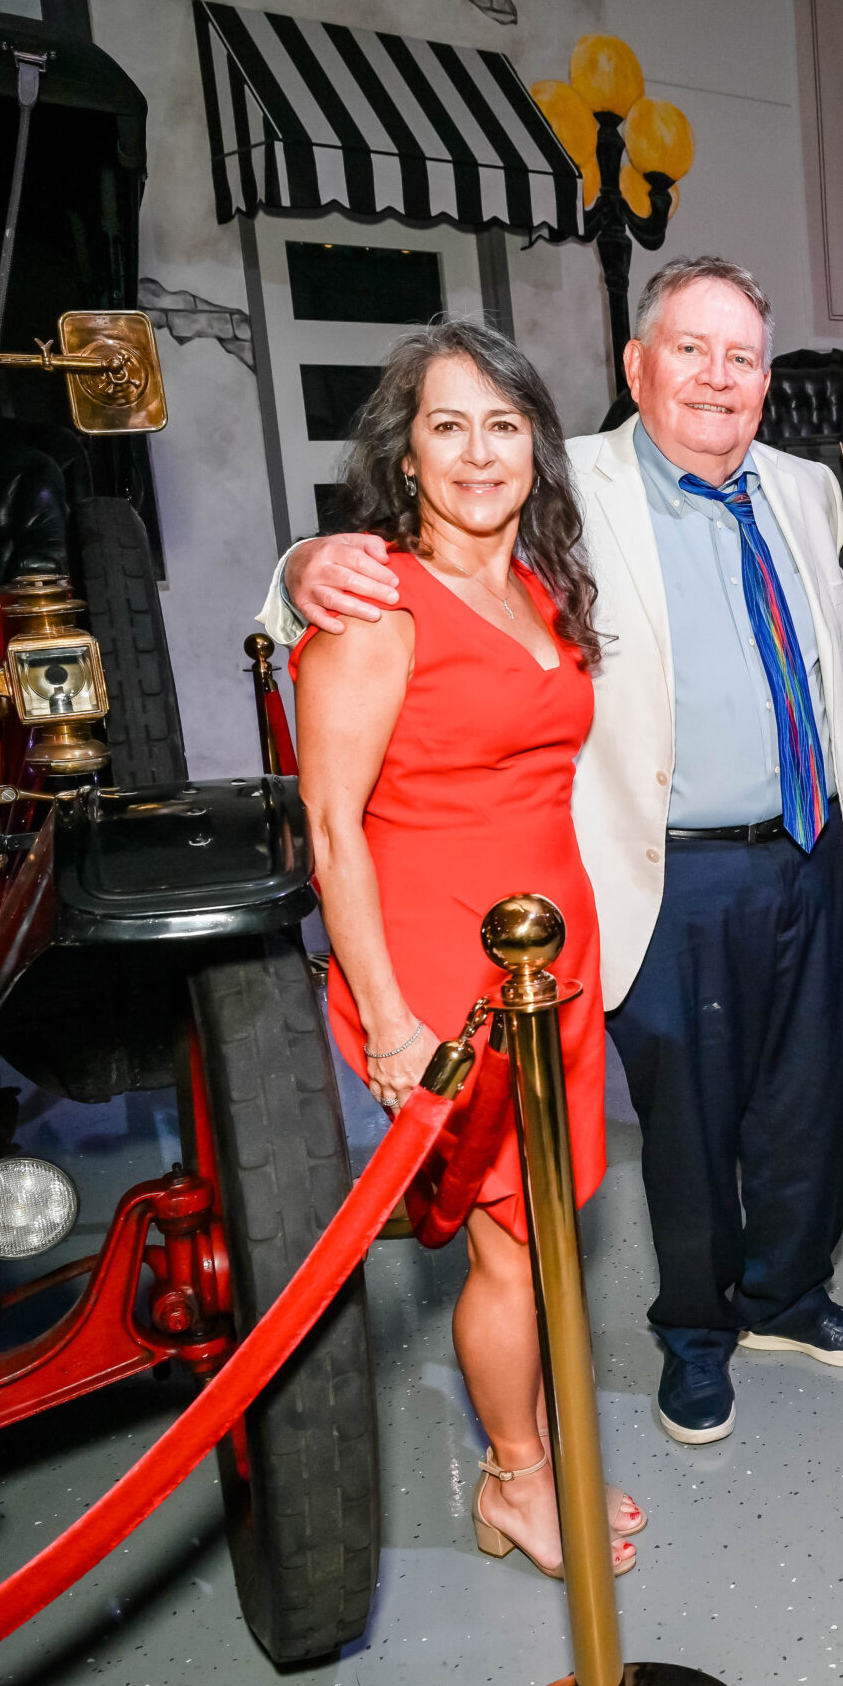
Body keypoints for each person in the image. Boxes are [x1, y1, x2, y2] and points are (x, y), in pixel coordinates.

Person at [259, 258, 843, 1450]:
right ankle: (696, 1337)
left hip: (809, 848)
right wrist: (300, 569)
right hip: (664, 867)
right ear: (636, 366)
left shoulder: (811, 489)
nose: (716, 378)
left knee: (808, 1101)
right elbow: (389, 573)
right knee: (688, 1124)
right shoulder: (570, 484)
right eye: (690, 350)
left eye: (742, 357)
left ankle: (789, 1297)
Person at [292, 321, 644, 1575]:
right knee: (510, 1244)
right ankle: (515, 1480)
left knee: (547, 1232)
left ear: (537, 448)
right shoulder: (373, 605)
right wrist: (390, 1023)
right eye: (448, 426)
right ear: (407, 453)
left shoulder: (540, 585)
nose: (479, 453)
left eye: (504, 425)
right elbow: (330, 830)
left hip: (553, 959)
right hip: (445, 971)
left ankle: (542, 1451)